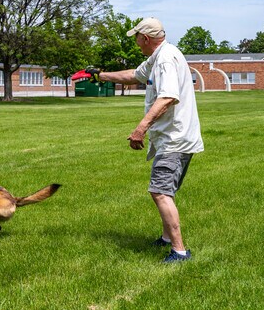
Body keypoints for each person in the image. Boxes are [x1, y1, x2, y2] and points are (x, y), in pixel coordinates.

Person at [83, 17, 204, 263]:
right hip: (175, 137)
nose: (136, 43)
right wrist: (100, 76)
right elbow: (134, 75)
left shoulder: (165, 60)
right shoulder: (158, 56)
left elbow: (168, 97)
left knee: (159, 191)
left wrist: (141, 128)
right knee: (166, 191)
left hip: (174, 139)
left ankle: (180, 251)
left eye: (137, 38)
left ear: (145, 38)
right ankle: (167, 238)